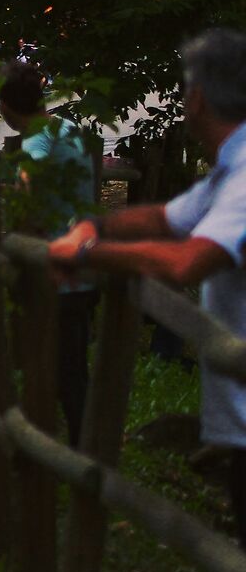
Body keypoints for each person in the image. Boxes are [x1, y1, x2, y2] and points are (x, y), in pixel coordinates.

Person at [44, 29, 246, 545]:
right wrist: (98, 226)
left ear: (197, 97)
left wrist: (86, 254)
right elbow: (166, 217)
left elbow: (187, 262)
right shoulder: (230, 171)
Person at [0, 59, 100, 441]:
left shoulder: (37, 135)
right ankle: (79, 446)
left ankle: (79, 456)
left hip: (58, 272)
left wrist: (24, 218)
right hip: (85, 266)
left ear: (6, 106)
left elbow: (28, 180)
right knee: (73, 370)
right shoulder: (67, 127)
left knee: (61, 374)